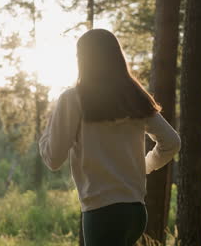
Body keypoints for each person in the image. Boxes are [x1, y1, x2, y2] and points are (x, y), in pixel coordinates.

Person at [39, 29, 181, 246]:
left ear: (83, 60)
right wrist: (144, 166)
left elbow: (53, 158)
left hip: (102, 214)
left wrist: (49, 126)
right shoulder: (134, 97)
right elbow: (171, 142)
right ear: (116, 57)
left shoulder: (73, 99)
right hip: (135, 212)